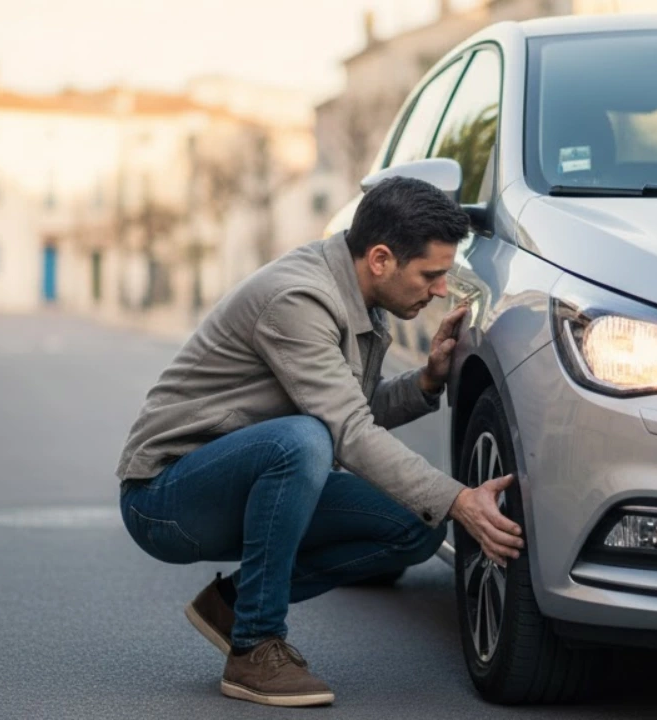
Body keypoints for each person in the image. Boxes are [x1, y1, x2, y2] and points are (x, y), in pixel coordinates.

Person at [115, 176, 524, 707]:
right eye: (432, 274)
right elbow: (345, 431)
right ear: (380, 259)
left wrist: (424, 383)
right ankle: (255, 645)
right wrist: (459, 499)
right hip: (165, 496)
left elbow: (345, 409)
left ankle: (235, 606)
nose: (441, 289)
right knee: (303, 442)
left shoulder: (360, 295)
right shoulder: (299, 299)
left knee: (415, 526)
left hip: (248, 472)